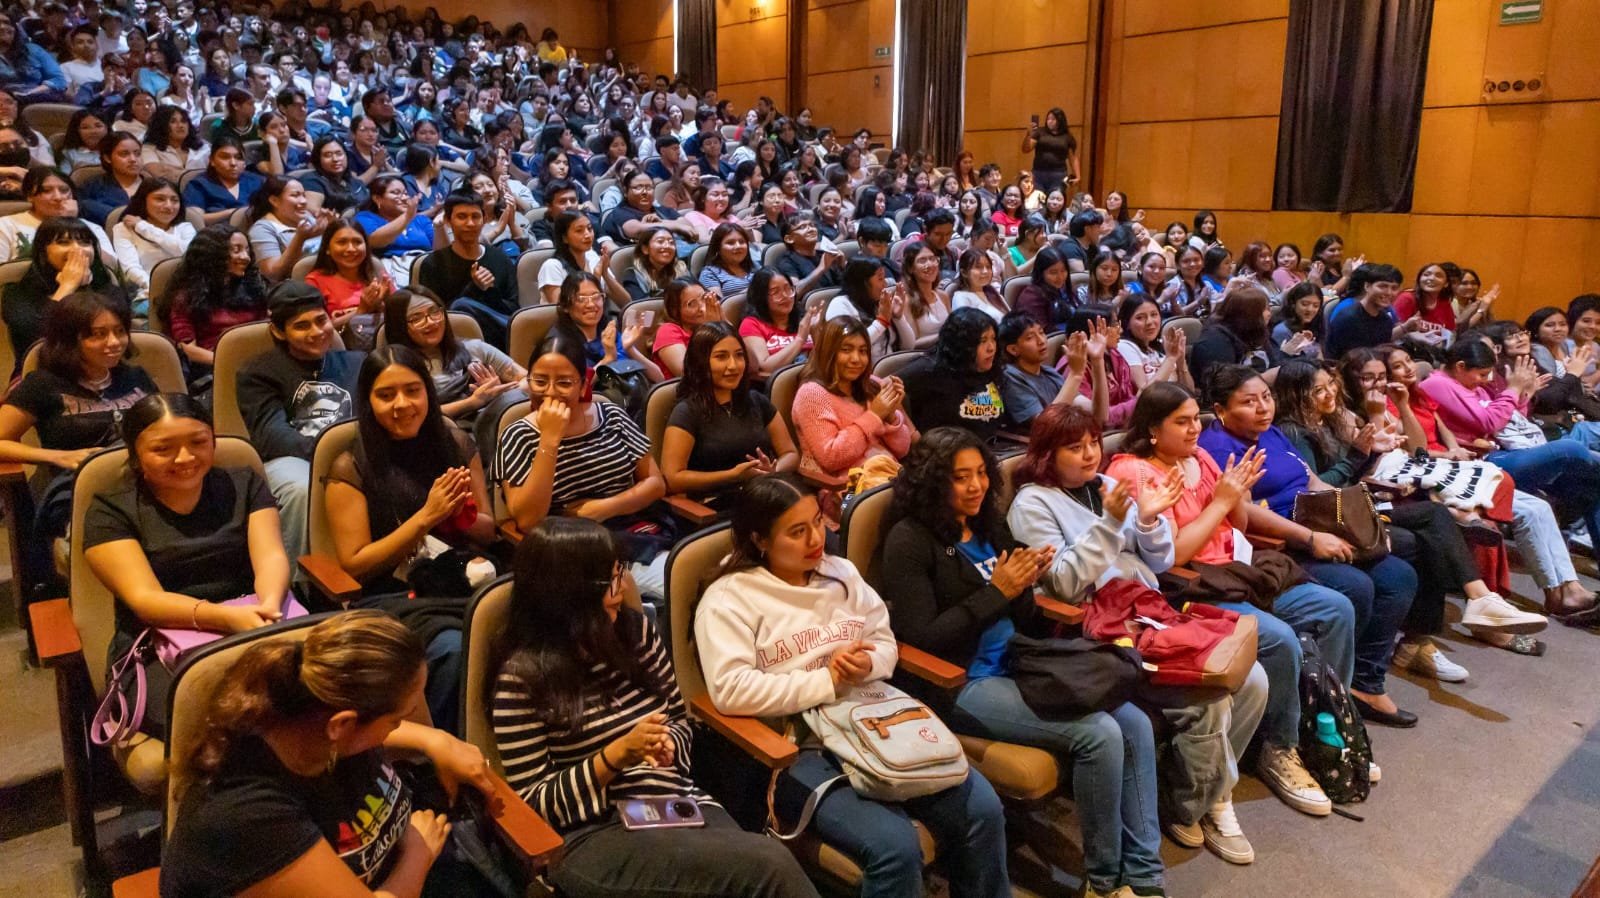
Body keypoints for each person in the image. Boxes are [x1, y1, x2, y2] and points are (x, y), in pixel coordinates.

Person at [887, 425, 1263, 880]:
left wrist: (1025, 588)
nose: (976, 486)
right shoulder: (910, 540)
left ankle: (1144, 873)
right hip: (966, 680)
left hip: (1023, 657)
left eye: (981, 473)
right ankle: (1104, 879)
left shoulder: (986, 524)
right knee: (1100, 734)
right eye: (959, 477)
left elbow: (1026, 617)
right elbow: (922, 638)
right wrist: (998, 591)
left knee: (1133, 721)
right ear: (931, 480)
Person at [696, 474, 1011, 898]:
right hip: (798, 745)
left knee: (984, 809)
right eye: (797, 531)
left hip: (872, 717)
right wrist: (826, 680)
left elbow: (884, 643)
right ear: (760, 540)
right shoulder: (730, 599)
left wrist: (867, 663)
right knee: (895, 847)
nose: (816, 539)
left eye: (817, 521)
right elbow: (731, 690)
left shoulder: (839, 572)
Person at [491, 517, 819, 898]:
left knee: (757, 869)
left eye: (620, 571)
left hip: (675, 802)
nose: (622, 586)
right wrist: (614, 757)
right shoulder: (522, 679)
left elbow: (677, 719)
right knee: (770, 865)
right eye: (610, 579)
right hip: (595, 834)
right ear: (568, 594)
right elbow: (533, 805)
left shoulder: (634, 633)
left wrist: (667, 746)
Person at [1102, 383, 1356, 814]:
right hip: (1192, 585)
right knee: (1277, 638)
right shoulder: (1135, 472)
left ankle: (1320, 722)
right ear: (1152, 430)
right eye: (1181, 422)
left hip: (1238, 569)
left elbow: (1237, 525)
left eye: (1194, 420)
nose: (1194, 430)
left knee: (1336, 609)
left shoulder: (1199, 456)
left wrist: (1235, 495)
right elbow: (1172, 555)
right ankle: (1279, 747)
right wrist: (1221, 503)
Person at [159, 610, 507, 897]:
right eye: (395, 720)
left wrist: (435, 741)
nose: (398, 728)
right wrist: (417, 853)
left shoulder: (313, 724)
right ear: (342, 725)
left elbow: (373, 735)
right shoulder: (249, 816)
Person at [1270, 359, 1545, 681]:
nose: (1330, 393)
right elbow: (1317, 491)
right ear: (1296, 394)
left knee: (1433, 521)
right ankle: (1437, 628)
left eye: (1330, 384)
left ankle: (1466, 608)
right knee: (1429, 529)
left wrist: (1372, 452)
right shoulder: (1293, 432)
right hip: (1332, 518)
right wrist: (1359, 454)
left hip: (1355, 507)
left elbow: (1391, 459)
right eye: (1318, 390)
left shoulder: (1329, 421)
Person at [1197, 366, 1420, 727]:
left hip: (1317, 523)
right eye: (1249, 402)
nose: (1263, 408)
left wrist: (1357, 520)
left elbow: (1312, 481)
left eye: (1266, 397)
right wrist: (1311, 538)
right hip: (1281, 543)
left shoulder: (1271, 432)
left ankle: (1364, 682)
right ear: (1221, 410)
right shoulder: (1220, 448)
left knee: (1398, 576)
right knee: (1356, 586)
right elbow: (1245, 512)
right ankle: (1322, 693)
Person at [82, 392, 291, 742]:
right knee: (229, 726)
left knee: (325, 695)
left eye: (198, 442)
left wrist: (269, 605)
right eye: (163, 449)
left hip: (256, 622)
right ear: (135, 454)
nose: (185, 457)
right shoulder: (110, 510)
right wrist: (225, 619)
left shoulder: (244, 483)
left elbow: (270, 556)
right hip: (158, 645)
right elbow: (145, 599)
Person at [1368, 344, 1600, 632]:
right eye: (1397, 367)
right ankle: (1542, 595)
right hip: (1432, 470)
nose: (1409, 368)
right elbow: (1418, 449)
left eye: (1408, 361)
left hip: (1461, 461)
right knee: (1568, 453)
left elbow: (1467, 429)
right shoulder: (1430, 386)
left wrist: (1457, 446)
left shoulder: (1419, 393)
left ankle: (1567, 590)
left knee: (1541, 506)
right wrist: (1512, 392)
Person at [324, 346, 496, 733]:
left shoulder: (455, 444)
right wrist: (426, 517)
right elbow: (356, 564)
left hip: (465, 576)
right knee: (454, 649)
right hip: (395, 594)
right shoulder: (351, 466)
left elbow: (489, 530)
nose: (402, 404)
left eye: (412, 391)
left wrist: (459, 514)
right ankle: (444, 750)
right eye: (386, 395)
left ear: (428, 393)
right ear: (368, 402)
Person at [497, 329, 671, 596]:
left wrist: (603, 508)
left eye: (564, 383)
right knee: (678, 584)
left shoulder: (611, 415)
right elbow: (529, 521)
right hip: (573, 553)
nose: (550, 392)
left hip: (634, 535)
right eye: (539, 381)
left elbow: (655, 483)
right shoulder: (517, 435)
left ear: (583, 385)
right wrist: (549, 440)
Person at [0, 292, 155, 591]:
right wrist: (58, 456)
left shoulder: (136, 377)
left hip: (141, 480)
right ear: (70, 340)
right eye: (98, 334)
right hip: (77, 488)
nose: (114, 342)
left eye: (119, 331)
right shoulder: (44, 385)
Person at [1419, 339, 1600, 559]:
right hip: (1485, 461)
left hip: (1507, 449)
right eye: (1482, 374)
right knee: (1570, 448)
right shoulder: (1438, 384)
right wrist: (1513, 389)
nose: (1486, 380)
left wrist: (1523, 396)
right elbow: (1488, 422)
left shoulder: (1472, 386)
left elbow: (1508, 421)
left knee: (1590, 488)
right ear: (1460, 367)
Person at [235, 280, 363, 566]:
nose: (317, 332)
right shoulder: (257, 373)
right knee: (302, 488)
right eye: (302, 326)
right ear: (278, 331)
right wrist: (330, 457)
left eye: (321, 321)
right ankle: (302, 580)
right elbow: (273, 436)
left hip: (354, 455)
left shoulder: (357, 363)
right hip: (290, 460)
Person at [661, 321, 798, 508]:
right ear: (701, 362)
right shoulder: (687, 412)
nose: (733, 365)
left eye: (739, 355)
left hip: (765, 494)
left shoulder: (757, 401)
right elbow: (673, 478)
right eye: (721, 357)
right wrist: (732, 476)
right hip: (716, 505)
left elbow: (790, 453)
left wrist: (771, 471)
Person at [382, 287, 523, 433]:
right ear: (399, 327)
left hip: (491, 429)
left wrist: (502, 394)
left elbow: (529, 381)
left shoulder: (475, 349)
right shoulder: (396, 369)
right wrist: (472, 402)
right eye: (417, 319)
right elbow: (412, 415)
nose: (430, 322)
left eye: (434, 312)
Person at [1, 216, 118, 374]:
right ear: (43, 251)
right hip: (40, 374)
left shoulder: (107, 288)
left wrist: (85, 289)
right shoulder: (17, 291)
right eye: (63, 242)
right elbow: (35, 340)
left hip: (103, 372)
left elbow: (119, 340)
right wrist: (68, 286)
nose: (77, 249)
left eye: (85, 242)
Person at [416, 190, 518, 347]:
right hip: (453, 340)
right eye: (462, 217)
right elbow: (434, 314)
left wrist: (489, 290)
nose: (470, 223)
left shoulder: (500, 258)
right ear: (448, 221)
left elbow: (512, 309)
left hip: (499, 336)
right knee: (461, 305)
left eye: (475, 217)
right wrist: (474, 288)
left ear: (484, 219)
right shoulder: (434, 263)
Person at [165, 224, 269, 371]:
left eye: (247, 250)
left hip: (258, 362)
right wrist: (232, 364)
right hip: (215, 367)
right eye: (236, 250)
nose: (245, 257)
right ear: (213, 254)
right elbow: (188, 350)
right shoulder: (187, 296)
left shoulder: (253, 288)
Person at [899, 308, 1006, 443]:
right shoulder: (929, 369)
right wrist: (913, 434)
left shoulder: (989, 367)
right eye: (982, 341)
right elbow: (879, 387)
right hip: (946, 451)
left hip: (992, 447)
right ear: (962, 344)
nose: (991, 348)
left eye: (993, 339)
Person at [552, 271, 663, 378]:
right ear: (565, 306)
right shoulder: (560, 344)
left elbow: (659, 378)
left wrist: (630, 349)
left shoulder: (608, 331)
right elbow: (577, 386)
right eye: (581, 299)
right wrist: (608, 358)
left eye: (596, 297)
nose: (591, 304)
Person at [303, 218, 393, 348]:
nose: (351, 249)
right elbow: (317, 328)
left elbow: (400, 317)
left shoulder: (378, 274)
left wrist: (382, 304)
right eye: (342, 242)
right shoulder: (315, 280)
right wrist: (361, 310)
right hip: (343, 349)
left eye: (357, 242)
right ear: (327, 248)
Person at [0, 166, 115, 263]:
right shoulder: (5, 226)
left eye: (64, 190)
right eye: (46, 191)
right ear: (29, 196)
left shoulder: (90, 227)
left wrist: (70, 224)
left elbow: (113, 267)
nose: (58, 197)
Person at [996, 310, 1084, 433]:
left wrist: (1098, 361)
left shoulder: (1049, 372)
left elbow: (1099, 416)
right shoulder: (1010, 377)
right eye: (1030, 337)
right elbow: (1046, 427)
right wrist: (1075, 374)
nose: (1041, 341)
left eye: (1041, 332)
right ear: (1013, 349)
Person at [245, 175, 335, 282]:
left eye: (304, 195)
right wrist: (300, 239)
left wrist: (332, 228)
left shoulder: (307, 217)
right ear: (274, 201)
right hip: (297, 286)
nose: (303, 201)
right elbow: (272, 275)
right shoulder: (262, 229)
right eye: (295, 195)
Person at [1189, 283, 1276, 391]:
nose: (1269, 313)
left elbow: (1273, 364)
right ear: (1249, 313)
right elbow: (1221, 385)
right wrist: (1263, 379)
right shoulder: (1214, 341)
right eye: (1265, 309)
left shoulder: (1256, 331)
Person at [739, 267, 817, 378]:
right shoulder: (751, 324)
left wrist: (817, 332)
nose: (785, 296)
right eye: (775, 292)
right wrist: (799, 339)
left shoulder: (802, 316)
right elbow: (765, 366)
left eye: (788, 289)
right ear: (761, 297)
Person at [181, 135, 265, 225]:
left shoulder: (257, 181)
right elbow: (195, 219)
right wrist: (235, 213)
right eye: (225, 157)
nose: (233, 163)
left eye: (238, 157)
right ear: (212, 160)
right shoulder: (198, 185)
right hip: (216, 231)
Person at [651, 278, 725, 377]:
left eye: (704, 298)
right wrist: (711, 330)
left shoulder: (711, 321)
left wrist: (722, 322)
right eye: (691, 304)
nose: (702, 308)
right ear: (675, 311)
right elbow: (686, 373)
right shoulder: (668, 330)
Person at [1117, 295, 1193, 391]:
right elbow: (1146, 393)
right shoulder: (1124, 346)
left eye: (1154, 315)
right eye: (1140, 318)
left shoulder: (1161, 348)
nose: (1149, 322)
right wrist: (1170, 359)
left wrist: (1181, 361)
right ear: (1127, 323)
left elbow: (1190, 392)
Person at [77, 131, 143, 227]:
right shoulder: (92, 186)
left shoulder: (155, 185)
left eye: (137, 153)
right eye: (124, 154)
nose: (133, 159)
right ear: (107, 158)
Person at [299, 135, 371, 215]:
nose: (335, 159)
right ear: (318, 159)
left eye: (339, 154)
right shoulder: (312, 181)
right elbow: (314, 213)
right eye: (328, 155)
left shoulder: (354, 181)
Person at [621, 226, 687, 301]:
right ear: (645, 249)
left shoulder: (681, 269)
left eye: (671, 242)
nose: (667, 246)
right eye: (660, 241)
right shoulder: (634, 275)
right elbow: (640, 305)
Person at [1022, 107, 1078, 193]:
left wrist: (1077, 175)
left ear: (1060, 120)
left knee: (1055, 197)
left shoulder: (1067, 137)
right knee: (1037, 197)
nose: (1050, 121)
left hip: (1058, 174)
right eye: (1048, 119)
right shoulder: (1040, 132)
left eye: (1053, 119)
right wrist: (1028, 135)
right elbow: (1026, 149)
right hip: (1038, 173)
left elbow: (1073, 158)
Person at [1393, 262, 1458, 333]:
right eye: (1426, 275)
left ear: (1446, 283)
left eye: (1438, 276)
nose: (1432, 278)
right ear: (1419, 280)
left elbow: (1450, 331)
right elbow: (1394, 331)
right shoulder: (1406, 298)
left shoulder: (1444, 303)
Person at [1270, 282, 1325, 361]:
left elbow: (1319, 356)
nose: (1310, 309)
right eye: (1305, 304)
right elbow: (1282, 364)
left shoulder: (1315, 324)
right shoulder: (1282, 331)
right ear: (1293, 303)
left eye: (1316, 306)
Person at [698, 221, 756, 295]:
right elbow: (717, 302)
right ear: (718, 248)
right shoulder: (709, 273)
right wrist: (754, 289)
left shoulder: (755, 266)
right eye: (730, 243)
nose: (738, 246)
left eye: (742, 242)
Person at [951, 248, 1008, 322]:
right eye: (978, 267)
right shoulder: (961, 298)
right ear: (964, 273)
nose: (985, 271)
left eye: (988, 267)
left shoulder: (992, 292)